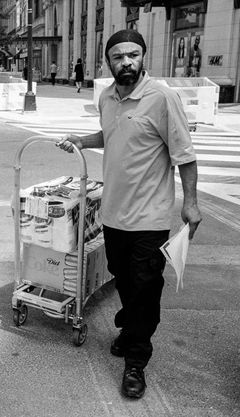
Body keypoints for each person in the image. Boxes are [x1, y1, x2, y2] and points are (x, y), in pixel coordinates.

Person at [57, 29, 201, 400]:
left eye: (133, 55)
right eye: (118, 57)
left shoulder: (161, 98)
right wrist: (82, 141)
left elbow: (184, 154)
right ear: (108, 61)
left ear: (143, 58)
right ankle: (130, 327)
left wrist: (191, 203)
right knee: (123, 279)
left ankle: (136, 360)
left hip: (150, 220)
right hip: (113, 214)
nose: (126, 63)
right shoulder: (107, 96)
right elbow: (112, 133)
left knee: (145, 289)